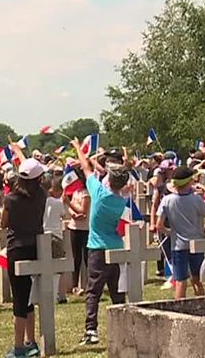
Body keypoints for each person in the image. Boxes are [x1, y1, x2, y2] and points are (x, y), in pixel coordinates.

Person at [70, 138, 129, 346]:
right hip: (116, 247)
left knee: (93, 291)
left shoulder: (99, 193)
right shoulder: (120, 201)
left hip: (97, 247)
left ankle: (91, 329)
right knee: (117, 292)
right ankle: (124, 328)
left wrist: (78, 148)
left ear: (109, 180)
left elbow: (85, 167)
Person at [1, 158, 44, 358]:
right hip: (35, 246)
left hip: (17, 247)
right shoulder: (41, 195)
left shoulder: (10, 199)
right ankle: (31, 340)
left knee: (19, 297)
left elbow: (4, 223)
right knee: (27, 297)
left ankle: (18, 347)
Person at [157, 167, 205, 299]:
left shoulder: (167, 200)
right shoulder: (196, 199)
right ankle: (203, 305)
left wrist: (169, 232)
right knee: (197, 280)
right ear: (189, 182)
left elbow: (159, 225)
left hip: (178, 245)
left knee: (180, 281)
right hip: (196, 244)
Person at [63, 166, 90, 296]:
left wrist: (69, 204)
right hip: (74, 226)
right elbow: (73, 208)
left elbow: (84, 210)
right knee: (75, 257)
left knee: (86, 257)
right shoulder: (75, 192)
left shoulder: (86, 193)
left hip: (85, 228)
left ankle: (88, 284)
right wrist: (72, 213)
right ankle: (74, 285)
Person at [43, 178, 68, 304]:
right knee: (59, 268)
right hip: (56, 236)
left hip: (43, 236)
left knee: (43, 267)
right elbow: (64, 215)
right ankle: (61, 295)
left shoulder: (39, 202)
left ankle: (45, 294)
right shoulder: (57, 203)